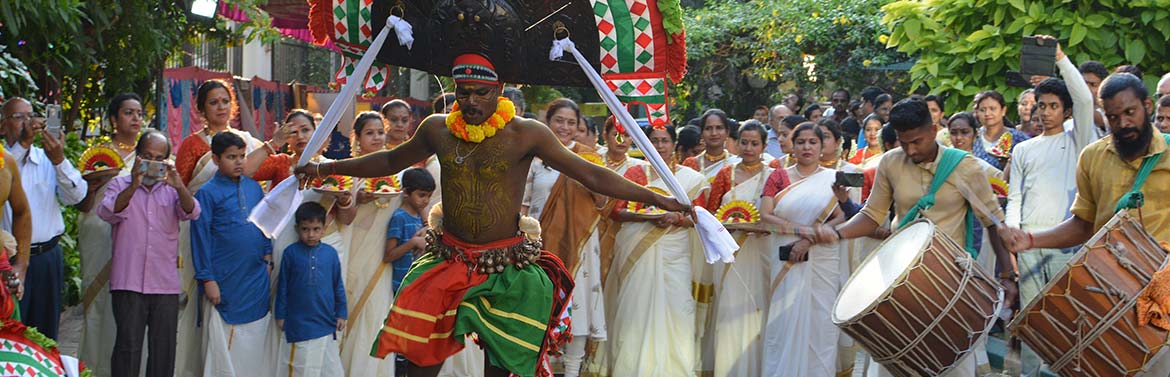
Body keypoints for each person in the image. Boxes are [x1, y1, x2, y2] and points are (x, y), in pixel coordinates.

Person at [298, 53, 689, 377]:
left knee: (502, 371)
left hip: (506, 269)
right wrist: (324, 169)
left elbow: (588, 172)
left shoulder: (527, 133)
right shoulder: (437, 128)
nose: (470, 102)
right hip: (447, 260)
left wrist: (658, 198)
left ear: (499, 91)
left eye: (480, 93)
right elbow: (388, 159)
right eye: (463, 93)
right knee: (418, 365)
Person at [816, 98, 1014, 377]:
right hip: (897, 276)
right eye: (903, 142)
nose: (911, 150)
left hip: (950, 278)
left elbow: (994, 223)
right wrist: (836, 233)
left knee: (951, 361)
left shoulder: (965, 166)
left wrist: (1007, 274)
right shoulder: (891, 162)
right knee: (893, 362)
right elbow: (873, 214)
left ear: (933, 130)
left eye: (917, 142)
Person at [999, 73, 1170, 373]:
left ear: (1147, 105)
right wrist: (1032, 240)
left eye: (1130, 113)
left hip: (1162, 296)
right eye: (1114, 117)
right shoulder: (1092, 157)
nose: (1123, 124)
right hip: (1104, 292)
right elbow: (1083, 225)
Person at [1004, 38, 1098, 376]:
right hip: (1029, 247)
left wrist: (1059, 57)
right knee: (1031, 319)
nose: (1044, 112)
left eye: (1052, 106)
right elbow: (1015, 197)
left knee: (1069, 319)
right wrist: (1013, 234)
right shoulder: (1024, 149)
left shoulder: (1080, 140)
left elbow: (1086, 99)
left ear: (1067, 111)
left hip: (1068, 246)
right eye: (1040, 105)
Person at [605, 123, 708, 376]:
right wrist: (647, 217)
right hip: (637, 251)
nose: (659, 145)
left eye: (664, 140)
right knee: (634, 309)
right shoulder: (635, 174)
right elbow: (617, 211)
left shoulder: (692, 179)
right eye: (654, 140)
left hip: (676, 252)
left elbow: (701, 217)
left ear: (674, 144)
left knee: (676, 309)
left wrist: (676, 219)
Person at [97, 129, 200, 377]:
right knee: (127, 348)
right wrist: (133, 185)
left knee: (163, 349)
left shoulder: (172, 189)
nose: (152, 163)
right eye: (146, 156)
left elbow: (192, 212)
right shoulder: (119, 185)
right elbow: (107, 212)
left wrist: (179, 186)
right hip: (128, 281)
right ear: (136, 156)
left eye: (159, 158)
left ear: (166, 161)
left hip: (164, 284)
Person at [522, 98, 609, 377]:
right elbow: (522, 204)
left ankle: (571, 372)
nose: (565, 127)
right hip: (539, 247)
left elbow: (602, 201)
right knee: (537, 312)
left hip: (580, 245)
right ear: (548, 122)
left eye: (572, 122)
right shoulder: (534, 158)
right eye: (559, 120)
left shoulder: (589, 157)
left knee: (578, 310)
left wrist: (585, 173)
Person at [758, 123, 847, 377]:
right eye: (801, 142)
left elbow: (842, 217)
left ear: (822, 147)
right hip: (785, 255)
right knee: (783, 323)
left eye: (813, 142)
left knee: (821, 325)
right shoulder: (777, 176)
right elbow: (766, 216)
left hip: (821, 259)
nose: (806, 147)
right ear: (792, 146)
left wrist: (809, 240)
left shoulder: (833, 179)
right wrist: (800, 231)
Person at [0, 97, 86, 340]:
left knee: (46, 334)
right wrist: (23, 146)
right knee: (11, 331)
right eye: (19, 117)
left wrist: (59, 160)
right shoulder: (3, 160)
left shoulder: (46, 157)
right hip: (9, 260)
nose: (28, 123)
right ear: (3, 125)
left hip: (48, 257)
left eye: (31, 116)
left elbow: (77, 196)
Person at [191, 132, 275, 377]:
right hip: (224, 279)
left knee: (256, 339)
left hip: (256, 276)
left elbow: (264, 226)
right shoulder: (207, 193)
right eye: (231, 157)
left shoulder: (253, 188)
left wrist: (268, 259)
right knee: (225, 344)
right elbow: (200, 239)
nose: (239, 162)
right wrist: (208, 279)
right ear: (216, 160)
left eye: (242, 156)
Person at [76, 93, 143, 376]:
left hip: (136, 241)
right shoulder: (97, 157)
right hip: (99, 236)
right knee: (98, 307)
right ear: (114, 120)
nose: (136, 119)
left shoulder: (150, 155)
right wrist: (92, 185)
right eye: (128, 113)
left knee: (131, 311)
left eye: (139, 113)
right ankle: (93, 369)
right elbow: (83, 204)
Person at [704, 121, 773, 376]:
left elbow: (776, 214)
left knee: (759, 307)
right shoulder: (725, 174)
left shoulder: (774, 174)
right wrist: (727, 225)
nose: (749, 148)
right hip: (730, 251)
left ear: (764, 146)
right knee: (729, 309)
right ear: (736, 142)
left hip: (761, 250)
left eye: (755, 143)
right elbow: (710, 214)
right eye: (744, 142)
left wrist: (757, 226)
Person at [336, 111, 400, 377]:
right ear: (357, 138)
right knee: (350, 308)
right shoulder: (348, 173)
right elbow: (342, 219)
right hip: (352, 252)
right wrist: (357, 199)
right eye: (369, 133)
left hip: (381, 258)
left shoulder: (398, 173)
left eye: (379, 132)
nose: (376, 138)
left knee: (375, 313)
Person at [275, 201, 347, 377]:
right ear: (297, 228)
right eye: (305, 229)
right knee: (301, 368)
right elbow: (283, 286)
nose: (311, 234)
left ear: (324, 229)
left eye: (316, 229)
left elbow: (338, 284)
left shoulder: (330, 254)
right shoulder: (290, 253)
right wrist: (280, 315)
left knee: (332, 370)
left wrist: (342, 312)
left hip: (325, 321)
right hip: (299, 323)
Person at [175, 79, 264, 186]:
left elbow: (277, 167)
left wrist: (277, 142)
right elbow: (177, 188)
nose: (221, 107)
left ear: (232, 105)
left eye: (225, 101)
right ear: (202, 109)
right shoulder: (192, 145)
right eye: (214, 103)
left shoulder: (247, 141)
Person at [973, 90, 1030, 171]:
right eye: (982, 110)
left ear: (1003, 111)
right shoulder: (973, 137)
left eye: (992, 109)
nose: (987, 113)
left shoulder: (1018, 138)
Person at [683, 109, 742, 179]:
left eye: (719, 128)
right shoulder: (691, 164)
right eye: (708, 128)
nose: (714, 133)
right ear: (701, 133)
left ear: (727, 132)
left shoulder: (738, 163)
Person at [1079, 61, 1110, 137]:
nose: (1087, 88)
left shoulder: (1109, 111)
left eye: (1093, 85)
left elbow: (1100, 119)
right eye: (1083, 83)